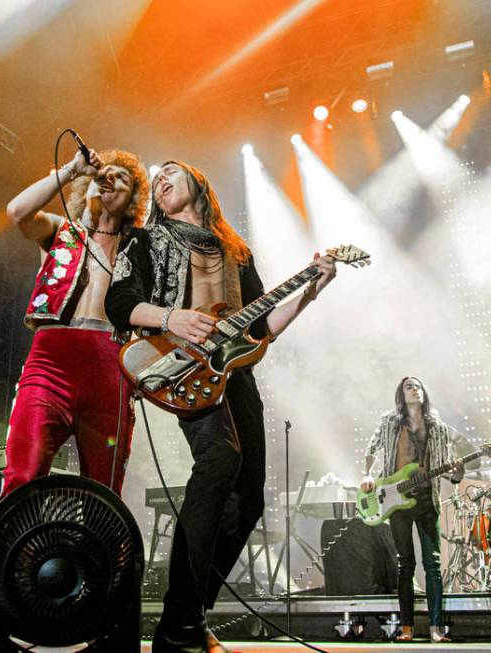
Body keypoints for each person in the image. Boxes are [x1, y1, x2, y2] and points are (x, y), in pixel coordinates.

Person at [105, 160, 337, 653]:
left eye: (170, 170)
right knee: (218, 461)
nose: (160, 178)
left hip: (235, 375)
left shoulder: (237, 252)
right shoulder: (145, 242)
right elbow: (120, 302)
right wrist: (173, 317)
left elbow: (262, 326)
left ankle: (190, 615)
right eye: (155, 177)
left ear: (199, 181)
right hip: (179, 364)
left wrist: (312, 289)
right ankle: (181, 624)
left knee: (249, 499)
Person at [0, 146, 150, 499]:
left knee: (103, 487)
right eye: (106, 173)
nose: (109, 178)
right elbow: (17, 211)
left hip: (109, 364)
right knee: (23, 472)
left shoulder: (137, 248)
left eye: (122, 178)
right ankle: (9, 553)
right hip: (52, 359)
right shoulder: (60, 230)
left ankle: (95, 554)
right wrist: (72, 169)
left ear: (132, 200)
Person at [360, 376, 466, 643]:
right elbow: (372, 448)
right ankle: (406, 628)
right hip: (396, 499)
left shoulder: (438, 428)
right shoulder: (389, 423)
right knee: (405, 564)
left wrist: (458, 472)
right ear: (401, 394)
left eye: (418, 386)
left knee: (432, 563)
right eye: (409, 386)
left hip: (427, 500)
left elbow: (447, 471)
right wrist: (367, 474)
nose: (414, 389)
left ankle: (435, 629)